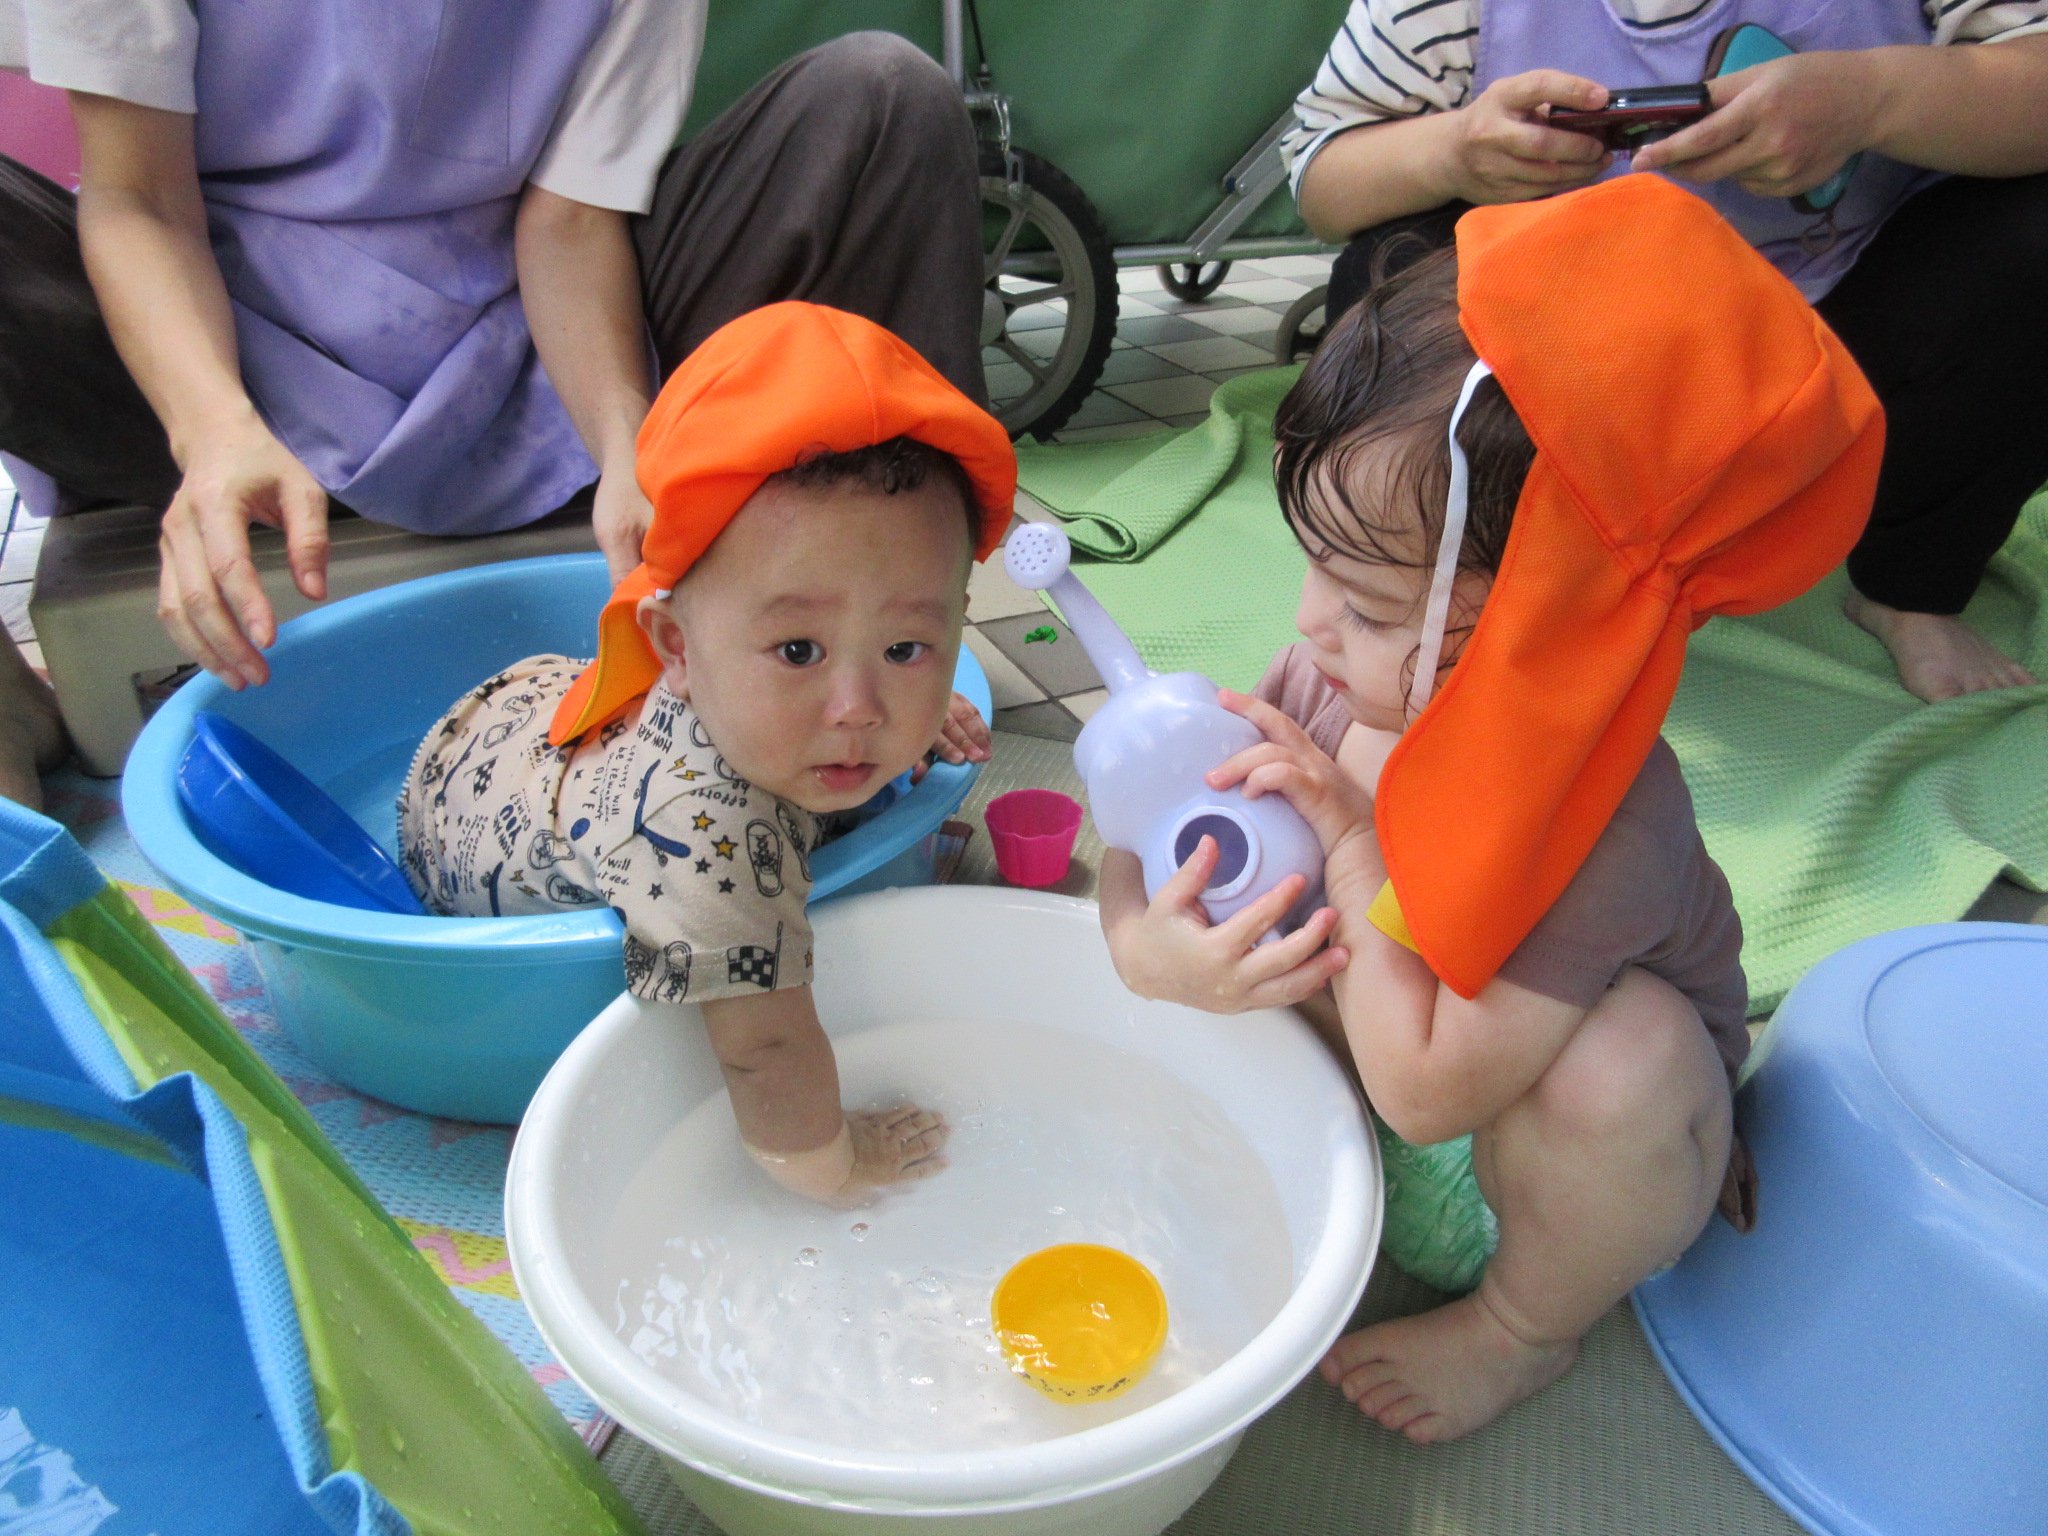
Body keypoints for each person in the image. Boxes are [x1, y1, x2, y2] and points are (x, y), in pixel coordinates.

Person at [1099, 177, 1881, 1440]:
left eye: (1365, 605)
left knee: (1628, 1063)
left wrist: (1349, 845)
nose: (1305, 623)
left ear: (1553, 621)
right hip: (1349, 1082)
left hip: (1506, 1151)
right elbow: (1148, 838)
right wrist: (1144, 947)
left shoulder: (1601, 823)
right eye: (1313, 568)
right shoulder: (1329, 682)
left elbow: (1426, 1093)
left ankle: (1522, 1331)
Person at [0, 0, 984, 800]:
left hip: (528, 343)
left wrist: (629, 447)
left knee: (882, 97)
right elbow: (139, 198)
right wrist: (212, 430)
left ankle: (880, 606)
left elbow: (569, 219)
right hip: (218, 348)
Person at [400, 303, 1008, 1204]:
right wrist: (837, 1168)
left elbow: (846, 676)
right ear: (674, 649)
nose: (858, 709)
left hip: (524, 713)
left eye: (905, 648)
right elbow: (765, 1051)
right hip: (455, 832)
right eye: (798, 651)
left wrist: (921, 710)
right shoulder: (708, 839)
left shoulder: (755, 677)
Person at [1281, 0, 2048, 702]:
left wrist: (1874, 99)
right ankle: (1467, 581)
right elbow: (1322, 178)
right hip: (1570, 352)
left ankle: (1915, 583)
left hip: (1847, 333)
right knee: (1391, 269)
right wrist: (1452, 151)